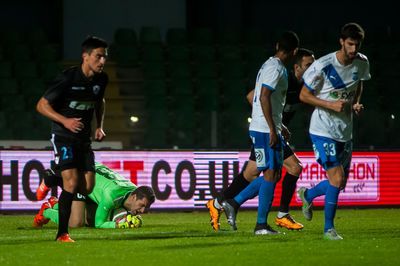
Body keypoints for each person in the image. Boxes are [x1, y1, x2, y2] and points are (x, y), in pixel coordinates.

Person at [207, 48, 314, 231]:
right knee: (291, 168)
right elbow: (252, 97)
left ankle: (220, 203)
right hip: (268, 132)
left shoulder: (304, 87)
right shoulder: (283, 78)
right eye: (308, 65)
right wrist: (273, 126)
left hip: (274, 132)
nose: (312, 69)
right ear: (296, 67)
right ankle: (280, 215)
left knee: (251, 175)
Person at [221, 31, 299, 235]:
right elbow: (263, 97)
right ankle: (261, 225)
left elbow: (263, 100)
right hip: (265, 129)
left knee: (273, 173)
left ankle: (234, 203)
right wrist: (273, 129)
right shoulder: (276, 68)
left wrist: (279, 126)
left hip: (265, 126)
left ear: (277, 46)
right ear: (294, 51)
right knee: (271, 174)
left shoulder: (269, 64)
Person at [298, 22, 370, 240]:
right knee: (336, 177)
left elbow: (358, 84)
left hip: (344, 131)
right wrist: (330, 105)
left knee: (339, 183)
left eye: (356, 45)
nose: (353, 49)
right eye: (349, 44)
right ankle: (329, 229)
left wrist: (356, 102)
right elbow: (303, 95)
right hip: (323, 129)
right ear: (341, 41)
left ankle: (308, 194)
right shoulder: (324, 65)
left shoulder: (362, 62)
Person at [36, 36, 108, 242]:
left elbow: (100, 101)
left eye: (104, 57)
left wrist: (100, 126)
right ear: (85, 57)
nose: (102, 61)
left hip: (84, 139)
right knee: (72, 182)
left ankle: (51, 177)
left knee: (87, 188)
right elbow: (41, 105)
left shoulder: (102, 79)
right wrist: (65, 121)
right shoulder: (67, 78)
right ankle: (62, 234)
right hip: (63, 135)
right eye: (98, 56)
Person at [34, 163, 155, 231]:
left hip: (92, 182)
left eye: (146, 207)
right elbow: (100, 224)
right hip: (79, 177)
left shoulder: (133, 190)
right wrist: (119, 225)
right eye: (142, 205)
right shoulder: (112, 196)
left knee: (89, 219)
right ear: (133, 197)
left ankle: (56, 204)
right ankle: (47, 211)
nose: (143, 211)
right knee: (77, 222)